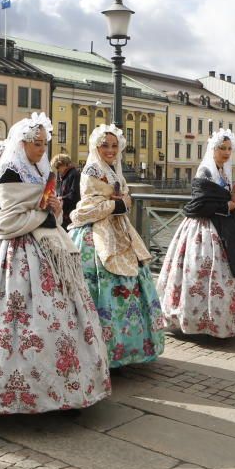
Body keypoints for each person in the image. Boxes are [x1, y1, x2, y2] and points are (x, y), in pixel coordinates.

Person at [0, 112, 110, 413]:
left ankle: (60, 388)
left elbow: (46, 210)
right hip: (9, 250)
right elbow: (11, 216)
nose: (42, 149)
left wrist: (54, 208)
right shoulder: (10, 170)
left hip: (44, 247)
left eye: (44, 143)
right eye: (36, 143)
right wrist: (45, 213)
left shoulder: (41, 170)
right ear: (23, 143)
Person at [156, 128, 235, 337]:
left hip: (227, 228)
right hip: (204, 230)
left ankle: (226, 319)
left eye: (229, 149)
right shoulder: (206, 172)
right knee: (201, 273)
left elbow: (226, 199)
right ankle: (199, 319)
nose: (226, 153)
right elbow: (199, 205)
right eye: (222, 148)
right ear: (213, 149)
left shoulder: (224, 172)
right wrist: (228, 206)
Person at [68, 125, 165, 369]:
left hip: (120, 232)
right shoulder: (91, 170)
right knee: (100, 291)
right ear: (95, 147)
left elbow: (124, 197)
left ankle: (126, 347)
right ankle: (102, 349)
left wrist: (121, 203)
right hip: (96, 237)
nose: (111, 150)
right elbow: (87, 208)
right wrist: (116, 206)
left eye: (114, 146)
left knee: (131, 288)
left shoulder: (114, 169)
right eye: (105, 146)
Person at [52, 154, 81, 229]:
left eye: (58, 167)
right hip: (65, 213)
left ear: (64, 164)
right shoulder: (66, 175)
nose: (57, 170)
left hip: (70, 214)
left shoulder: (74, 174)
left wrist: (61, 198)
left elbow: (75, 195)